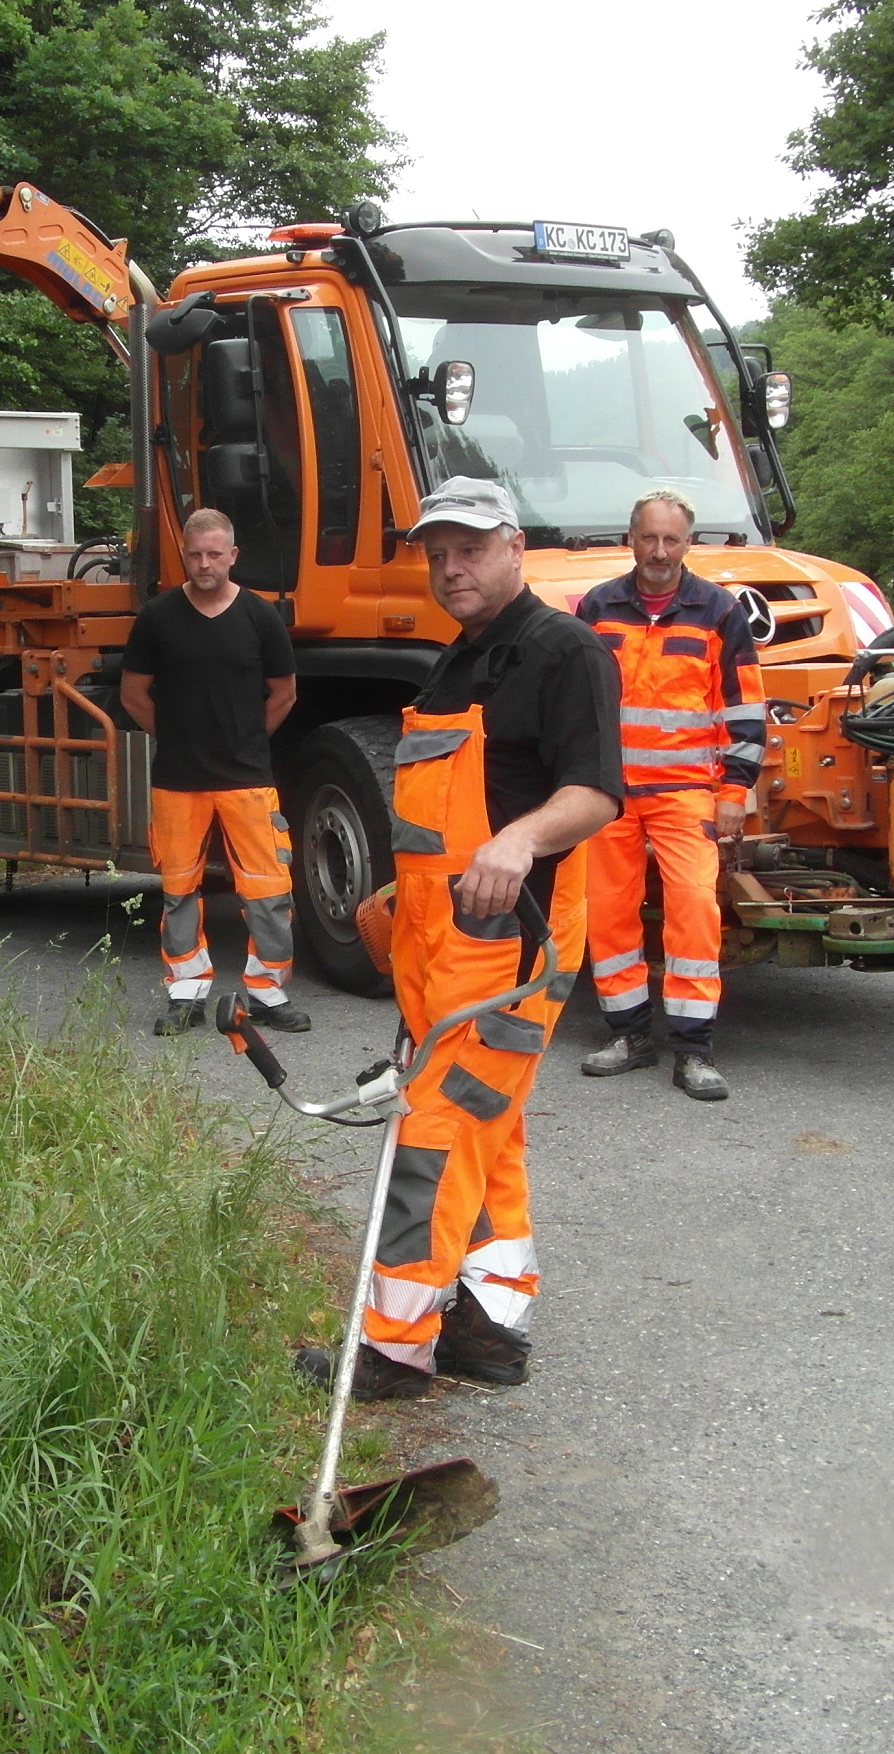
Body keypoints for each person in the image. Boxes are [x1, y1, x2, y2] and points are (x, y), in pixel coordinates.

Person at [299, 476, 621, 1399]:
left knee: (434, 1137)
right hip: (437, 950)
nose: (451, 569)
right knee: (491, 1132)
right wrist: (401, 902)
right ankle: (491, 1328)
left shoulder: (568, 653)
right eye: (437, 555)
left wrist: (521, 840)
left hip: (512, 954)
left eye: (469, 549)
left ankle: (396, 1348)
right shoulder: (454, 662)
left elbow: (592, 793)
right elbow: (442, 822)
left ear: (514, 546)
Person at [571, 489, 762, 1102]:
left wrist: (735, 790)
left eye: (671, 539)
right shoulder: (597, 607)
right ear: (631, 538)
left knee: (694, 913)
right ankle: (627, 1035)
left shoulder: (719, 611)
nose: (659, 551)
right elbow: (572, 701)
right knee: (608, 911)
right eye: (648, 538)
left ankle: (694, 1049)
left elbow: (747, 709)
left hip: (686, 795)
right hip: (609, 794)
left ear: (688, 542)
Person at [120, 507, 307, 1037]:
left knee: (269, 890)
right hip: (178, 780)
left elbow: (284, 693)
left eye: (214, 554)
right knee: (179, 891)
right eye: (195, 554)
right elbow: (134, 695)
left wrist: (244, 741)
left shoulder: (260, 616)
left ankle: (269, 994)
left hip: (248, 779)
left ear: (233, 556)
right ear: (185, 555)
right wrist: (180, 740)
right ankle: (186, 995)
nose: (204, 564)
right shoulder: (157, 617)